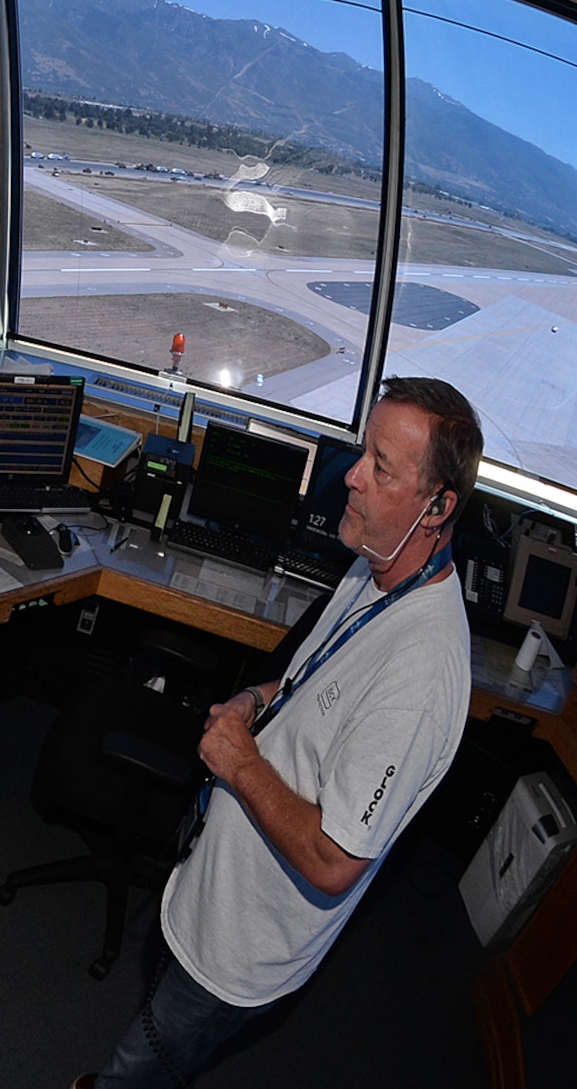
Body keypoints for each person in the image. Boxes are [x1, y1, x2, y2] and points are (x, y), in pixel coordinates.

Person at [79, 376, 482, 1088]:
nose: (351, 477)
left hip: (240, 945)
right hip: (215, 880)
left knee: (138, 1067)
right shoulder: (379, 564)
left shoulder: (422, 675)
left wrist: (236, 763)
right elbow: (312, 676)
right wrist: (256, 697)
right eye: (364, 453)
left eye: (380, 467)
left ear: (438, 505)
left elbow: (334, 859)